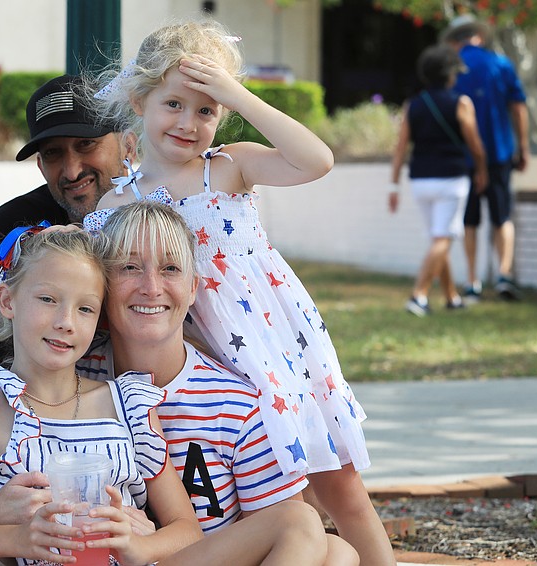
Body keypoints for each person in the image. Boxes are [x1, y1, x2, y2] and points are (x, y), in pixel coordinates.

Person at [84, 18, 396, 566]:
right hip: (202, 362)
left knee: (338, 488)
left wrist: (237, 94)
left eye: (206, 111)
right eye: (174, 104)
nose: (188, 122)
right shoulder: (117, 206)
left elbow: (317, 160)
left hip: (272, 351)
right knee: (269, 502)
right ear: (140, 101)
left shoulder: (230, 168)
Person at [0, 228, 204, 566]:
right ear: (7, 301)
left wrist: (138, 547)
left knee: (270, 523)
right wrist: (15, 539)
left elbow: (187, 531)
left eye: (85, 308)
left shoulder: (127, 404)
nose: (66, 322)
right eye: (48, 299)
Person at [78, 200, 360, 566]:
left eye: (170, 269)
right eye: (129, 267)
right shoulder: (73, 378)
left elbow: (284, 537)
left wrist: (160, 542)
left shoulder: (236, 405)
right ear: (103, 285)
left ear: (193, 287)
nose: (151, 287)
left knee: (338, 553)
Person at [390, 44, 488, 317]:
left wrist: (393, 185)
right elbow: (476, 145)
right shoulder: (461, 103)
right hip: (451, 179)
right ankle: (419, 295)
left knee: (438, 236)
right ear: (450, 75)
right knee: (443, 237)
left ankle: (451, 296)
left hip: (420, 181)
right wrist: (482, 170)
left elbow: (400, 148)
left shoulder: (413, 105)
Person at [442, 14, 530, 302]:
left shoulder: (453, 69)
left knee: (470, 220)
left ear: (455, 41)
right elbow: (518, 108)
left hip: (463, 156)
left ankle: (472, 280)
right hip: (500, 151)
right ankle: (504, 275)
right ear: (478, 36)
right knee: (502, 216)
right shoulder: (501, 64)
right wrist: (524, 147)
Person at [0, 74, 133, 237]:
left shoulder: (162, 211)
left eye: (86, 144)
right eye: (52, 153)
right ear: (41, 166)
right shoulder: (13, 226)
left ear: (128, 146)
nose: (72, 173)